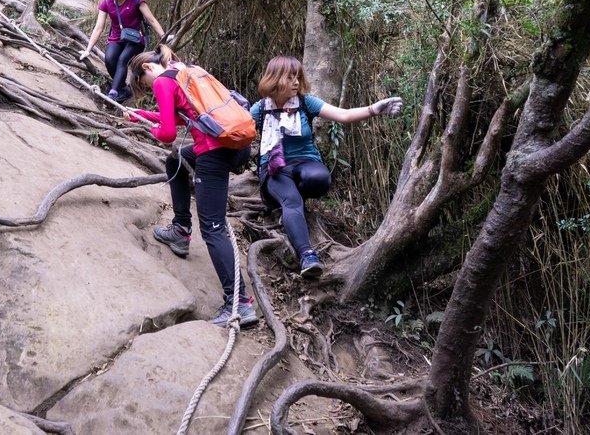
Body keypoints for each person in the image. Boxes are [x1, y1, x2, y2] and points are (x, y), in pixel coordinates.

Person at [124, 45, 259, 329]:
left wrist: (150, 129)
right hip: (235, 144)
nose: (149, 91)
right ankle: (180, 231)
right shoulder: (188, 71)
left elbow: (168, 133)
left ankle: (239, 304)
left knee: (212, 226)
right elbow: (176, 117)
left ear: (146, 69)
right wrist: (140, 115)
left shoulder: (162, 80)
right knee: (176, 160)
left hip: (213, 150)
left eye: (144, 86)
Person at [251, 56, 402, 279]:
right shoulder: (260, 109)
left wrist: (375, 109)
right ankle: (306, 255)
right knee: (291, 201)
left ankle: (291, 201)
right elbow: (237, 129)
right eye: (290, 77)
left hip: (305, 162)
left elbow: (343, 115)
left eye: (298, 77)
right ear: (275, 79)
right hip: (275, 168)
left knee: (320, 179)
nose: (296, 82)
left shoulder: (304, 103)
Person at [80, 0, 165, 103]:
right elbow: (98, 28)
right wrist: (88, 50)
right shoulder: (106, 3)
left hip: (135, 39)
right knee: (109, 59)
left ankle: (113, 93)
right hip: (116, 38)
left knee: (122, 59)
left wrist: (164, 36)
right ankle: (124, 89)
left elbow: (151, 20)